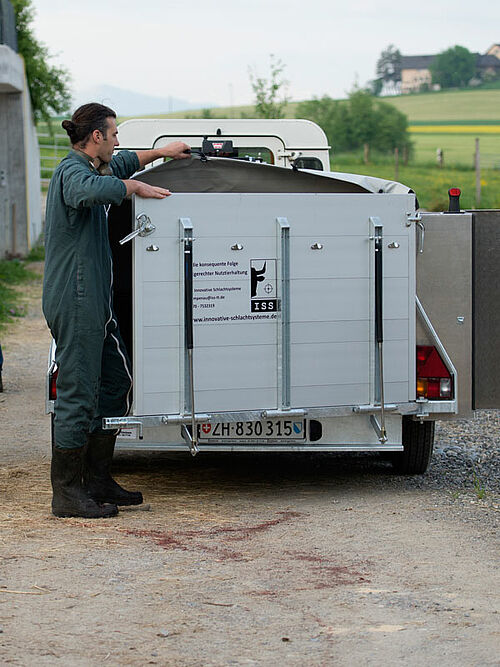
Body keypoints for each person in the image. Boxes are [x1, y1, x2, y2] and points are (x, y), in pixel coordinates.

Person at [43, 103, 190, 518]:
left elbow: (123, 162)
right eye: (114, 134)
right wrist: (135, 188)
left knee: (114, 383)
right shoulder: (73, 171)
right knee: (77, 390)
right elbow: (88, 191)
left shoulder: (97, 164)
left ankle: (98, 480)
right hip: (76, 299)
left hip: (95, 300)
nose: (118, 141)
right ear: (96, 138)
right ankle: (67, 492)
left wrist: (161, 154)